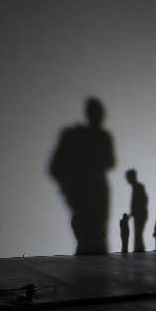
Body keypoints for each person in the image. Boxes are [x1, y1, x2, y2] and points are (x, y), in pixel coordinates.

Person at [49, 97, 115, 254]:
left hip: (98, 192)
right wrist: (68, 188)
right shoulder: (74, 135)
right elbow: (56, 167)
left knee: (97, 236)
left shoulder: (103, 136)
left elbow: (110, 161)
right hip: (82, 192)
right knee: (86, 234)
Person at [126, 169, 148, 252]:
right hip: (138, 214)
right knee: (138, 234)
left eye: (128, 177)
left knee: (138, 234)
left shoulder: (138, 187)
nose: (127, 179)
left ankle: (139, 251)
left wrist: (133, 213)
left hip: (140, 215)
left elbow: (143, 201)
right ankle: (138, 251)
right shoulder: (136, 187)